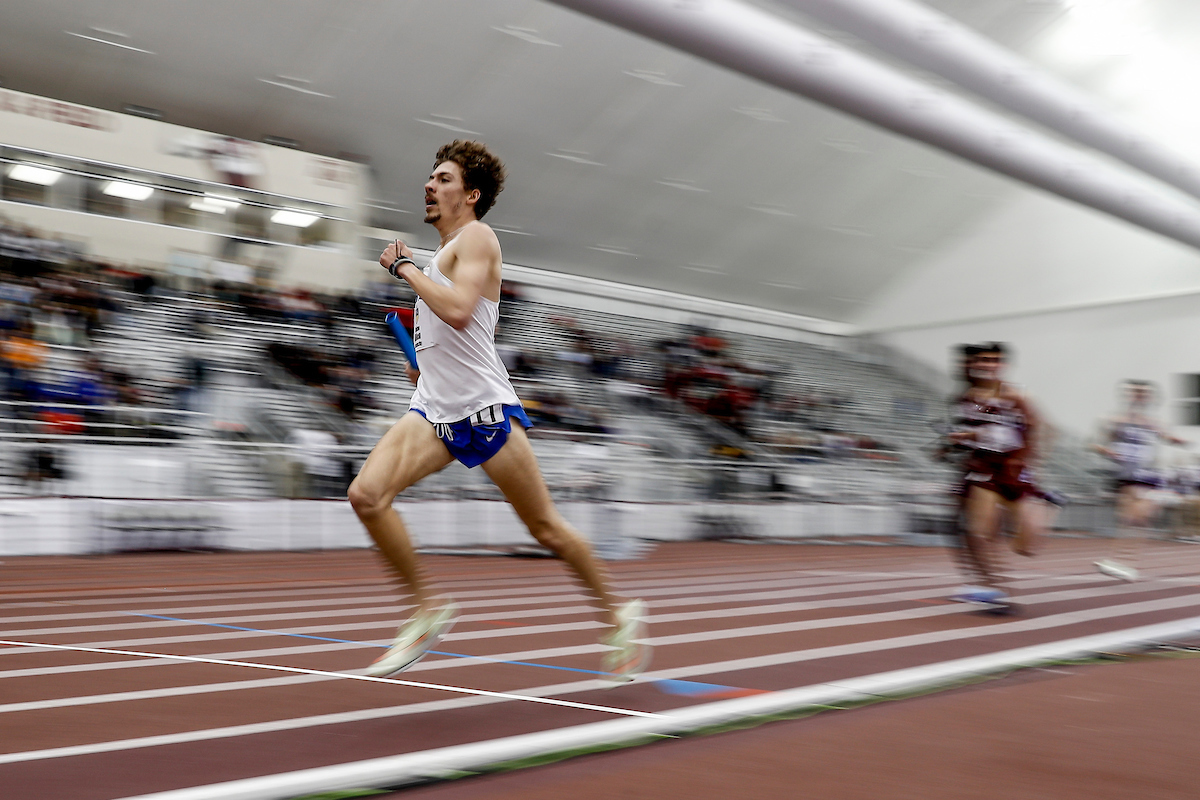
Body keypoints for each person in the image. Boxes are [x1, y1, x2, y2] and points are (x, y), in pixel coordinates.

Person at [348, 140, 648, 679]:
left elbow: (462, 312)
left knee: (545, 529)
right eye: (431, 177)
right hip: (435, 410)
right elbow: (448, 338)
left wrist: (404, 269)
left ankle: (617, 614)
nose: (429, 185)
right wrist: (420, 366)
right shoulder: (440, 261)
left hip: (483, 410)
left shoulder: (477, 237)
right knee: (366, 496)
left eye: (442, 178)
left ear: (471, 194)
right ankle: (425, 610)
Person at [943, 343, 1044, 613]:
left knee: (1028, 547)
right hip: (983, 469)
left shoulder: (1016, 396)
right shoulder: (965, 398)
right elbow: (966, 431)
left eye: (993, 361)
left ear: (1003, 365)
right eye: (982, 360)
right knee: (977, 531)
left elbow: (1034, 429)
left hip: (1013, 470)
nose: (987, 365)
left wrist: (1027, 459)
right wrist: (952, 444)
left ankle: (1044, 509)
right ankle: (995, 589)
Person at [1093, 380, 1187, 581]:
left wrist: (1178, 440)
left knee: (1133, 517)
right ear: (1128, 395)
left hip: (1143, 474)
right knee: (1129, 519)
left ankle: (1124, 561)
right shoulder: (1116, 420)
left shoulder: (1154, 423)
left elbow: (1167, 436)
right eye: (1135, 393)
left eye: (1143, 394)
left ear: (1150, 398)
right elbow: (1097, 443)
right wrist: (1107, 450)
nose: (1138, 397)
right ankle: (1126, 563)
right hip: (1123, 474)